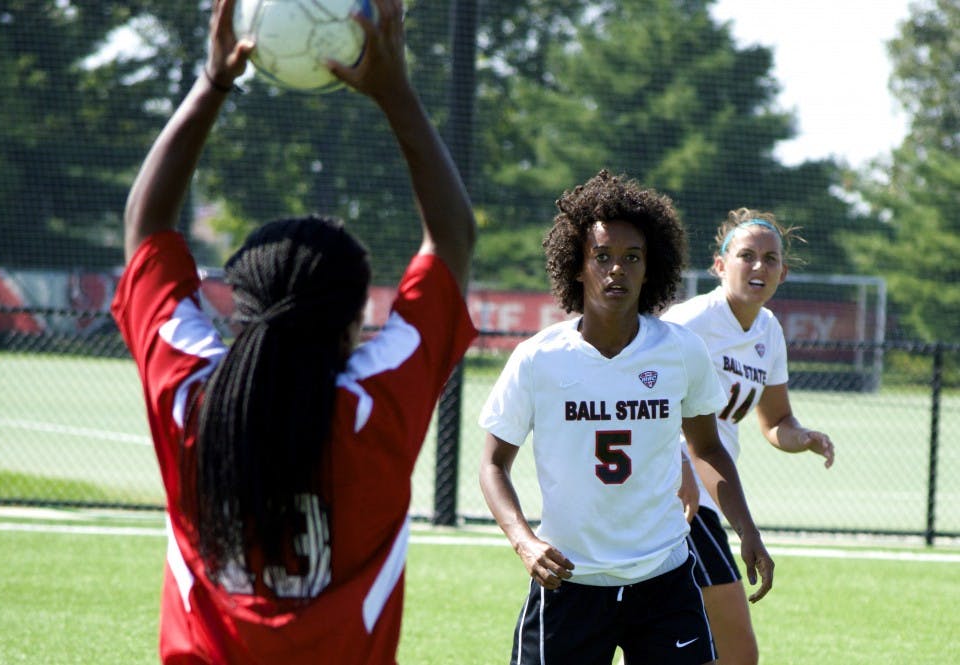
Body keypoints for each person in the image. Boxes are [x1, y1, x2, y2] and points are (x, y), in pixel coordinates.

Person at [111, 0, 477, 661]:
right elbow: (450, 240)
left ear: (238, 310)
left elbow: (146, 228)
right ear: (350, 327)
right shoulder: (373, 411)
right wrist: (395, 92)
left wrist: (213, 81)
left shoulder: (192, 401)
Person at [478, 170, 774, 665]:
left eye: (631, 258)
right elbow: (492, 463)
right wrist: (523, 541)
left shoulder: (681, 350)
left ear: (649, 268)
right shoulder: (538, 357)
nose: (617, 270)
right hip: (570, 580)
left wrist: (746, 528)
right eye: (602, 257)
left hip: (663, 578)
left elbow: (707, 448)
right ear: (577, 266)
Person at [661, 209, 835, 665]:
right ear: (720, 265)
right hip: (675, 497)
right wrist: (674, 466)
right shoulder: (689, 321)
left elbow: (775, 420)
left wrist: (803, 437)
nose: (759, 266)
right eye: (746, 256)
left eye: (770, 258)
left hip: (712, 493)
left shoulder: (769, 329)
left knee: (680, 644)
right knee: (737, 650)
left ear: (784, 271)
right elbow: (640, 398)